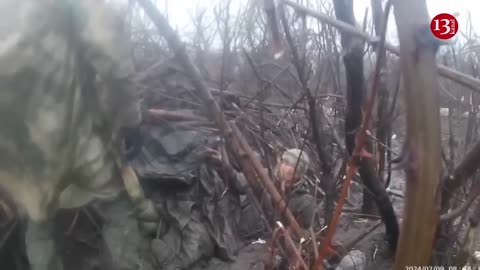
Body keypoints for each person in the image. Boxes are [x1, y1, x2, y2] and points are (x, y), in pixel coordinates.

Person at [0, 0, 143, 269]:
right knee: (118, 203)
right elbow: (108, 49)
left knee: (38, 220)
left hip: (21, 146)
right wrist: (129, 119)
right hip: (76, 132)